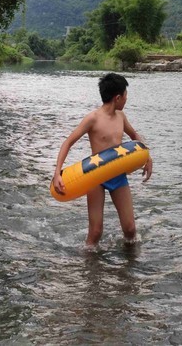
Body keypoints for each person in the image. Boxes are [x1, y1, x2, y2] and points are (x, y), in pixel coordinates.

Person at [51, 72, 153, 247]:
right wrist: (57, 173)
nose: (127, 100)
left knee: (130, 229)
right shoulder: (93, 118)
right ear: (118, 97)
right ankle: (89, 268)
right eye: (126, 96)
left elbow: (134, 135)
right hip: (95, 177)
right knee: (96, 231)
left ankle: (130, 265)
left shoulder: (121, 117)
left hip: (117, 175)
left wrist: (147, 156)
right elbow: (68, 142)